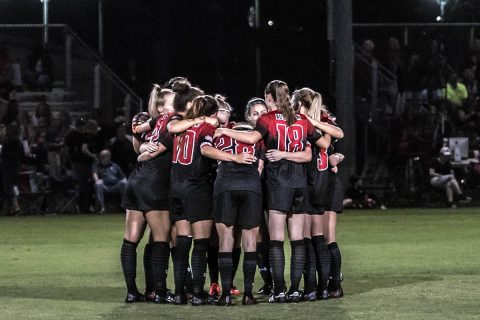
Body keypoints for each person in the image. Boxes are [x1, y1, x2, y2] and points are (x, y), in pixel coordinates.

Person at [214, 80, 330, 303]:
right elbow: (323, 144)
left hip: (278, 183)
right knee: (297, 239)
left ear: (269, 98)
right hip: (300, 183)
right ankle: (296, 289)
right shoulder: (301, 119)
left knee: (276, 239)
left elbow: (250, 138)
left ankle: (279, 289)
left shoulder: (267, 119)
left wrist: (224, 131)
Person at [120, 86, 176, 304]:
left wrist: (142, 149)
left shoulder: (152, 122)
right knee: (161, 239)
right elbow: (148, 151)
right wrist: (145, 151)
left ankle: (132, 292)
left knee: (131, 240)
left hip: (136, 181)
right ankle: (160, 292)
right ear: (161, 107)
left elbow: (137, 142)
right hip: (155, 183)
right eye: (174, 104)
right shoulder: (171, 123)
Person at [203, 120, 265, 306]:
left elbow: (205, 150)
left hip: (225, 185)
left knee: (226, 240)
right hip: (251, 185)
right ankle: (248, 294)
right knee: (250, 241)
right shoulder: (257, 138)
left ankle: (226, 295)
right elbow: (260, 167)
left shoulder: (221, 135)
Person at [292, 88, 345, 300]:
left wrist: (311, 122)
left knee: (324, 236)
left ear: (298, 104)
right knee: (316, 237)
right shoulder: (305, 120)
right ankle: (319, 285)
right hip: (316, 180)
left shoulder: (320, 119)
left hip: (324, 182)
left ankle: (331, 284)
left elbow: (337, 135)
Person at [244, 97, 272, 295]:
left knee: (272, 235)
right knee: (257, 234)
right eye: (256, 113)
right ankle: (267, 281)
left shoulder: (275, 132)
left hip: (272, 187)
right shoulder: (243, 135)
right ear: (248, 117)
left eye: (263, 112)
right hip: (252, 187)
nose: (260, 116)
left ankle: (274, 280)